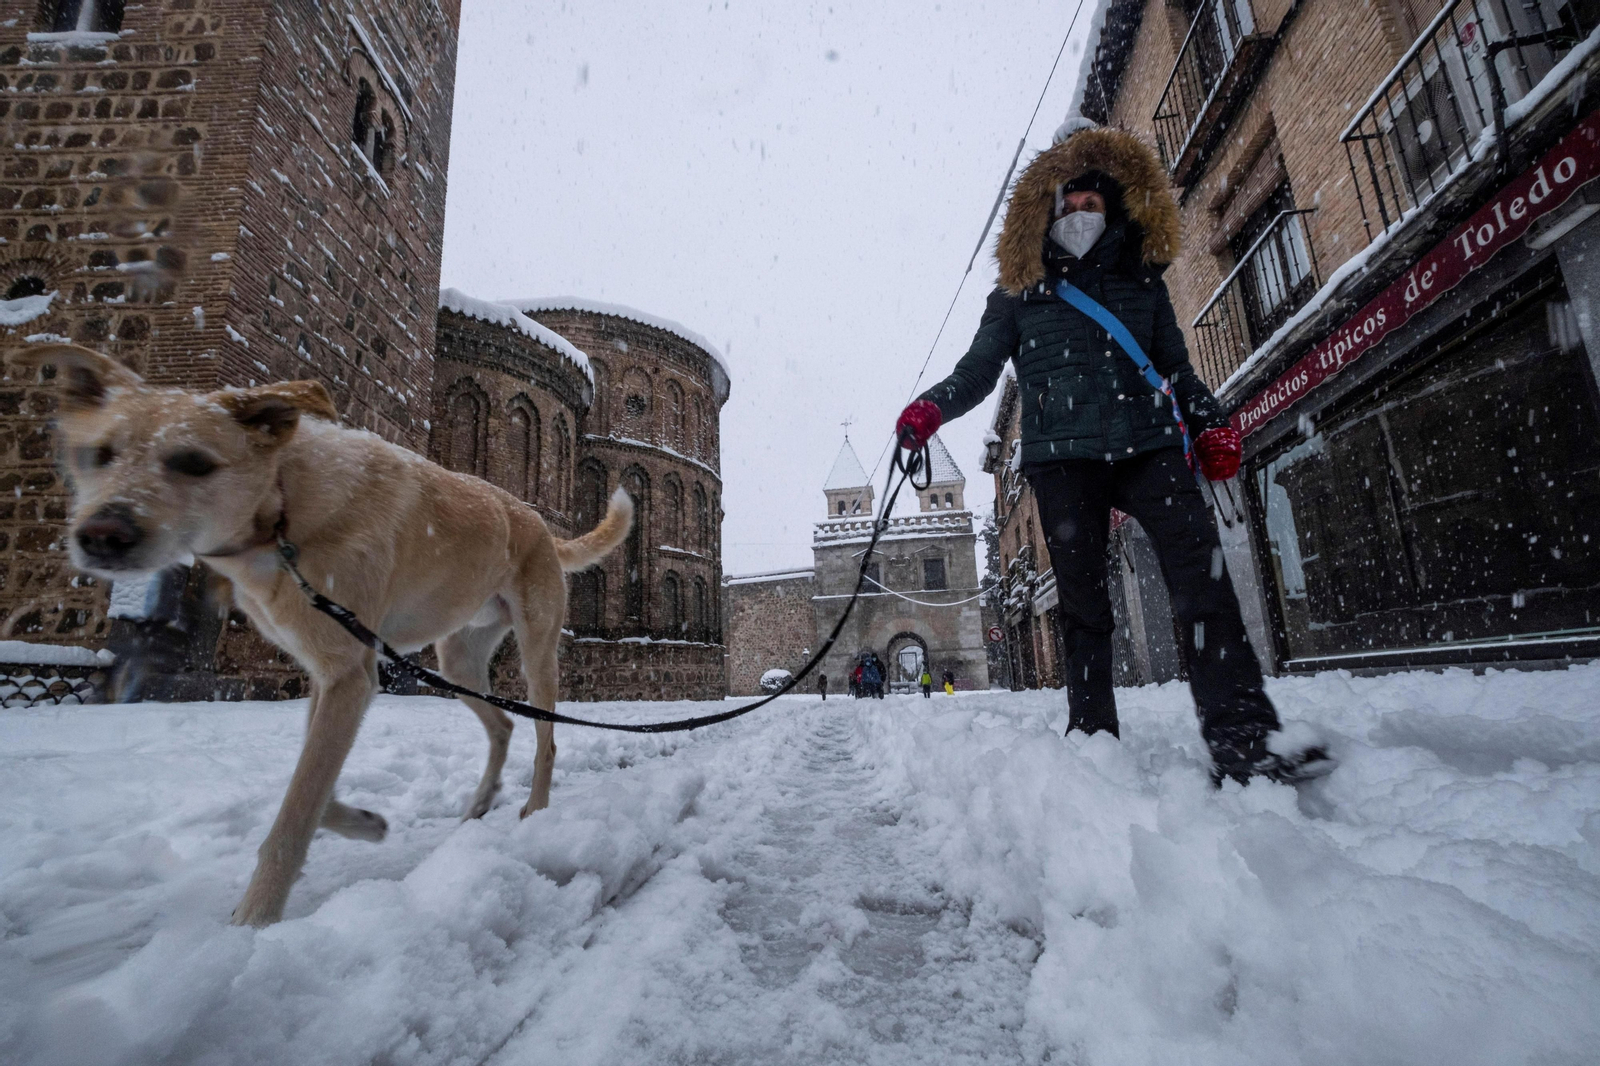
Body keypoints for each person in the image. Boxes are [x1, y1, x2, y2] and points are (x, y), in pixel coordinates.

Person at [895, 116, 1333, 787]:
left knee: (1202, 582)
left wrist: (1209, 421)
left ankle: (1244, 739)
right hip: (1061, 459)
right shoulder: (1017, 293)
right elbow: (978, 372)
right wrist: (929, 410)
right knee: (1083, 606)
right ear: (1047, 206)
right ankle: (1094, 741)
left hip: (1148, 445)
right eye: (1066, 199)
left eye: (1090, 199)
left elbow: (1178, 370)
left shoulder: (1142, 284)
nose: (1077, 209)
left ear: (1114, 203)